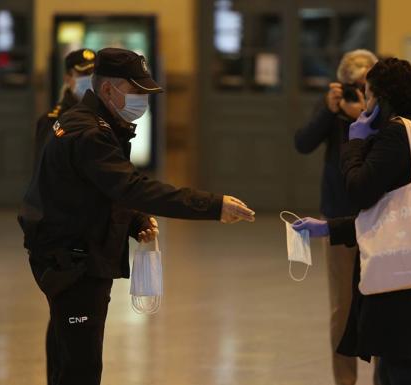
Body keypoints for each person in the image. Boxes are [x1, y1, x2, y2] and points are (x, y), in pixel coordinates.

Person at [18, 47, 256, 385]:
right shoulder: (89, 132)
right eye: (136, 91)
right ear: (108, 90)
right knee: (80, 371)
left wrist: (135, 221)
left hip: (72, 254)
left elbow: (98, 189)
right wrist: (213, 206)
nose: (143, 100)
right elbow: (132, 187)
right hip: (71, 261)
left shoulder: (95, 123)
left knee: (68, 360)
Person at [293, 58, 411, 385]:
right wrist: (328, 227)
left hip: (403, 276)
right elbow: (387, 213)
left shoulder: (398, 134)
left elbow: (359, 191)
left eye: (370, 96)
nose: (365, 104)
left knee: (401, 366)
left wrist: (354, 141)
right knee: (395, 364)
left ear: (384, 98)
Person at [294, 49, 379, 385]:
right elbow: (302, 142)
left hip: (378, 214)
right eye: (352, 84)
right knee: (342, 308)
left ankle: (385, 376)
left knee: (383, 302)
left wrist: (365, 117)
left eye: (364, 83)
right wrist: (330, 113)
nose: (358, 91)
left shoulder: (383, 108)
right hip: (338, 214)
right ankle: (345, 381)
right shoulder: (332, 105)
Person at [34, 48, 96, 159]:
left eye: (94, 73)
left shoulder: (105, 114)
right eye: (84, 73)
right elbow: (47, 167)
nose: (90, 79)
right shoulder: (52, 121)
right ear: (67, 79)